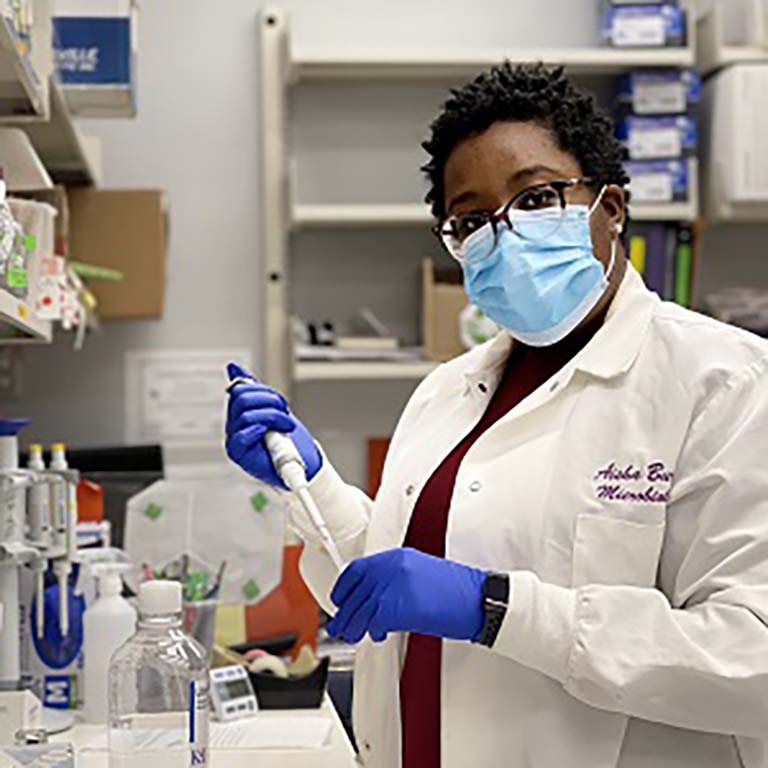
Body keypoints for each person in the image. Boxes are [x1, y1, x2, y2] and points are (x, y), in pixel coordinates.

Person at [225, 63, 768, 768]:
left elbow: (750, 656)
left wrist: (494, 607)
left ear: (612, 207)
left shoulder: (724, 381)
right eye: (472, 218)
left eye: (538, 197)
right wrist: (310, 482)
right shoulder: (446, 392)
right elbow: (385, 589)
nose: (505, 233)